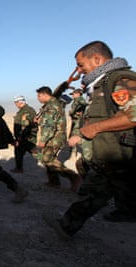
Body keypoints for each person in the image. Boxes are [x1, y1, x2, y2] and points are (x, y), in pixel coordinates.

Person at [43, 41, 136, 240]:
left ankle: (67, 227)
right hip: (111, 155)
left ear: (97, 59)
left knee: (94, 191)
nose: (79, 69)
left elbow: (133, 114)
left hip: (120, 155)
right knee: (99, 191)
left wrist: (94, 128)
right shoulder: (101, 84)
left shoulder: (120, 78)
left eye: (80, 63)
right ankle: (69, 226)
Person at [34, 86, 82, 192]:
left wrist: (43, 140)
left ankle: (73, 177)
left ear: (44, 95)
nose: (38, 98)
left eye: (39, 96)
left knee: (47, 159)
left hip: (54, 138)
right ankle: (54, 182)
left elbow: (49, 125)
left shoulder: (52, 106)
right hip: (54, 137)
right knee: (49, 159)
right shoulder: (53, 104)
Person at [11, 95, 38, 173]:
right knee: (18, 152)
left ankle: (49, 163)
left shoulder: (28, 111)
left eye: (16, 103)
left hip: (27, 137)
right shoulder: (22, 111)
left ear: (20, 102)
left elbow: (27, 125)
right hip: (21, 137)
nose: (16, 105)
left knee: (35, 153)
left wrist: (20, 137)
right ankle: (19, 168)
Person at [68, 88, 87, 158]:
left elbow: (72, 111)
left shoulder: (78, 100)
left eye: (73, 94)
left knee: (74, 136)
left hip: (77, 121)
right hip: (79, 121)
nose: (72, 96)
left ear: (78, 94)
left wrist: (71, 112)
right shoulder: (82, 100)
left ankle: (73, 154)